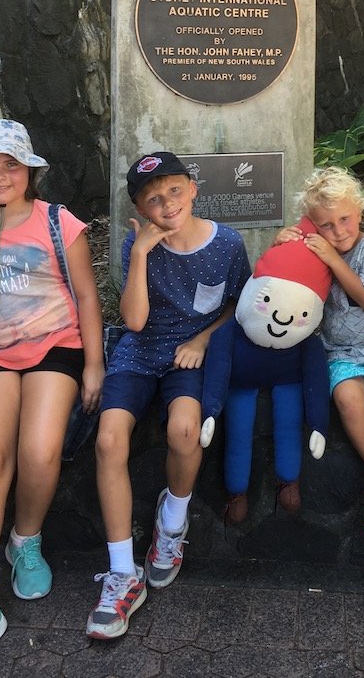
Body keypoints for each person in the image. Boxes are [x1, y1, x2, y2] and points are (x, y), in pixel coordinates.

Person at [0, 120, 104, 678]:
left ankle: (23, 540)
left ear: (30, 171)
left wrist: (95, 364)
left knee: (38, 450)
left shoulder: (59, 222)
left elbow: (85, 295)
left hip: (56, 345)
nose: (0, 175)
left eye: (11, 165)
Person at [86, 151, 250, 640]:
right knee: (109, 440)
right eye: (153, 198)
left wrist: (203, 339)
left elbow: (240, 302)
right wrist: (138, 253)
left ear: (193, 189)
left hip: (190, 354)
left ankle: (171, 524)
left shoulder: (228, 244)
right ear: (140, 207)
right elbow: (134, 321)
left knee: (185, 431)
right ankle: (121, 572)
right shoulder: (136, 246)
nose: (167, 203)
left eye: (175, 190)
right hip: (140, 351)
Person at [277, 167, 364, 550]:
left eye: (345, 218)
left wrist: (331, 257)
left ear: (359, 211)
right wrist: (283, 246)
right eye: (326, 225)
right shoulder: (314, 249)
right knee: (347, 399)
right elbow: (282, 284)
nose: (339, 231)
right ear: (312, 225)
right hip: (340, 351)